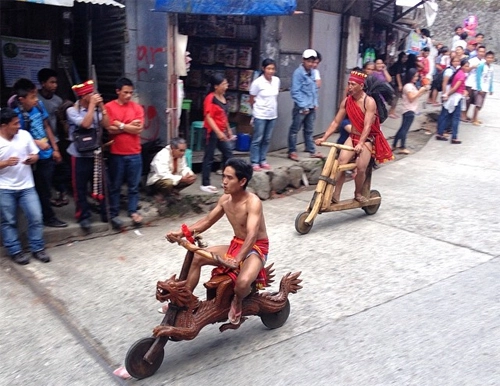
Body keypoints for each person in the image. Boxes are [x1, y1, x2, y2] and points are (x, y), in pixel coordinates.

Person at [165, 158, 269, 325]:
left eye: (229, 178)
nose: (224, 182)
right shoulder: (225, 200)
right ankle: (183, 303)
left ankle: (238, 300)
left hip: (255, 248)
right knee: (196, 257)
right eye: (223, 176)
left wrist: (237, 259)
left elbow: (251, 235)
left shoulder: (253, 202)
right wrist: (179, 233)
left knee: (241, 284)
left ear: (242, 181)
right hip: (237, 244)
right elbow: (206, 221)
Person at [315, 70, 394, 203]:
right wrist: (324, 138)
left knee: (361, 168)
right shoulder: (346, 101)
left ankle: (358, 193)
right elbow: (335, 122)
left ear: (361, 86)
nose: (349, 87)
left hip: (367, 139)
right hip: (353, 137)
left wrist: (360, 144)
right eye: (348, 84)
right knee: (340, 163)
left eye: (352, 84)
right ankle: (336, 194)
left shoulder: (369, 102)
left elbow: (368, 126)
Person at [11, 78, 67, 228]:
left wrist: (54, 148)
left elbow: (46, 126)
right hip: (31, 158)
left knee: (46, 188)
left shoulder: (39, 106)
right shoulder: (16, 116)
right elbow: (18, 136)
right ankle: (46, 218)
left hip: (46, 153)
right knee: (39, 190)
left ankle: (44, 215)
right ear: (22, 99)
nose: (36, 100)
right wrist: (37, 143)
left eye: (36, 96)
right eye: (32, 97)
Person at [0, 107, 51, 264]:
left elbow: (35, 154)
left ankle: (37, 248)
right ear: (4, 125)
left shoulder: (24, 136)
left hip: (27, 186)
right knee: (8, 221)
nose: (18, 126)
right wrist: (5, 163)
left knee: (36, 216)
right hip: (4, 188)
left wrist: (32, 158)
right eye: (15, 124)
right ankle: (15, 250)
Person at [66, 80, 109, 233]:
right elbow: (85, 124)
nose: (93, 96)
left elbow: (107, 124)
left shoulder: (97, 110)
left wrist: (102, 107)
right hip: (78, 154)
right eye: (90, 93)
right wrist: (92, 106)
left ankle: (106, 213)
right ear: (83, 96)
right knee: (80, 187)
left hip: (95, 153)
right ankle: (83, 216)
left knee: (102, 184)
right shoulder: (72, 111)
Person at [104, 77, 144, 229]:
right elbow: (109, 128)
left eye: (130, 93)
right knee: (116, 185)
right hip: (117, 152)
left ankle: (132, 211)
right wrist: (128, 126)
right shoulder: (109, 107)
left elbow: (138, 129)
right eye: (125, 92)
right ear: (117, 91)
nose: (128, 95)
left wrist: (120, 125)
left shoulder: (137, 108)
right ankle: (114, 213)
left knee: (133, 185)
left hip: (135, 152)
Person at [36, 68, 70, 208]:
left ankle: (61, 193)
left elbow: (61, 120)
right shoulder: (36, 99)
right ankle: (46, 197)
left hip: (56, 138)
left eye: (56, 82)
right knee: (44, 171)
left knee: (62, 167)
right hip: (41, 141)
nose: (55, 85)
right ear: (43, 83)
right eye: (51, 82)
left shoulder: (58, 100)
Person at [200, 74, 234, 193]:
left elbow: (224, 116)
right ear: (216, 86)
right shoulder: (210, 98)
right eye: (223, 84)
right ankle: (205, 183)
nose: (226, 86)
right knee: (209, 156)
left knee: (228, 153)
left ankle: (225, 179)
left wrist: (228, 130)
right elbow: (208, 117)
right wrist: (218, 132)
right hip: (211, 132)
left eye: (226, 84)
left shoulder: (223, 98)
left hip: (221, 131)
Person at [288, 49, 322, 161]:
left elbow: (314, 90)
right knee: (295, 129)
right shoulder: (298, 73)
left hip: (311, 106)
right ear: (303, 60)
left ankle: (311, 150)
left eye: (313, 62)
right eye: (309, 61)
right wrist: (303, 106)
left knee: (309, 130)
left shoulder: (312, 72)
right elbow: (295, 92)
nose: (311, 64)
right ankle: (292, 151)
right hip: (301, 107)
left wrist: (315, 103)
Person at [248, 58, 280, 171]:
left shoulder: (276, 80)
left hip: (272, 114)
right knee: (257, 139)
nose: (271, 71)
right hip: (260, 114)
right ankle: (254, 162)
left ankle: (263, 159)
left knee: (266, 139)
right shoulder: (257, 82)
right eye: (268, 68)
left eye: (273, 69)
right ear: (263, 69)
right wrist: (255, 111)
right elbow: (251, 98)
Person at [392, 69, 429, 154]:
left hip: (410, 109)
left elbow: (416, 96)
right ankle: (402, 146)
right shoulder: (408, 86)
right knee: (405, 129)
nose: (416, 78)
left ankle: (394, 145)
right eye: (415, 76)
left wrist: (423, 91)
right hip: (409, 109)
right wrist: (420, 91)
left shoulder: (412, 85)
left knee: (402, 128)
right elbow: (411, 98)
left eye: (417, 76)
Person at [436, 58, 469, 144]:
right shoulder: (461, 74)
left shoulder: (457, 72)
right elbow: (455, 88)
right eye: (466, 66)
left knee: (447, 115)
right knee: (455, 117)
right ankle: (454, 137)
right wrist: (446, 94)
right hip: (456, 97)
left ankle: (441, 132)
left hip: (453, 96)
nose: (467, 67)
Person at [463, 45, 486, 122]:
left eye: (483, 52)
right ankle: (464, 115)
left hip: (478, 84)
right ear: (477, 52)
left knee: (476, 101)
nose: (481, 53)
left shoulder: (484, 62)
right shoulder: (472, 60)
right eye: (480, 51)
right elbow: (466, 70)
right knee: (468, 100)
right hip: (470, 82)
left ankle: (473, 117)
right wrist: (472, 67)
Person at [471, 50, 495, 126]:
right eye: (488, 57)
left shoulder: (491, 68)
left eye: (491, 58)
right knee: (478, 104)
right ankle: (474, 119)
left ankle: (475, 118)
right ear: (485, 58)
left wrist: (491, 89)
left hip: (486, 88)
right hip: (480, 88)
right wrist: (479, 88)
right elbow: (478, 77)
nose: (489, 59)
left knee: (481, 104)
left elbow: (490, 79)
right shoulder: (481, 66)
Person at [388, 52, 408, 118]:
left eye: (406, 57)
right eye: (404, 57)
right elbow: (398, 75)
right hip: (397, 84)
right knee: (395, 98)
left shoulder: (403, 64)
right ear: (401, 57)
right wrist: (399, 85)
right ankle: (391, 112)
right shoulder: (398, 65)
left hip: (400, 83)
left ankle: (392, 111)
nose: (405, 59)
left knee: (397, 98)